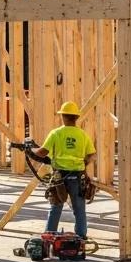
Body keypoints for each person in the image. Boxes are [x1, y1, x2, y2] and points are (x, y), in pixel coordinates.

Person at [29, 101, 96, 239]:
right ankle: (81, 238)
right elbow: (92, 155)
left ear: (63, 117)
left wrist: (30, 149)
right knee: (79, 209)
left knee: (56, 207)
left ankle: (49, 236)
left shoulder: (56, 133)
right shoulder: (82, 135)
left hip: (59, 177)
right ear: (76, 117)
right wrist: (84, 162)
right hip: (77, 177)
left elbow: (42, 152)